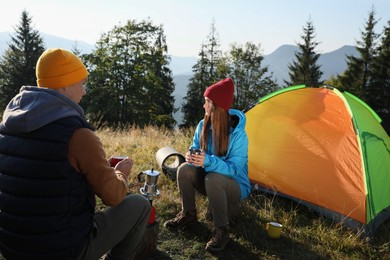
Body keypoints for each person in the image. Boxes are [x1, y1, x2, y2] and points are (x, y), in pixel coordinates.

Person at [0, 48, 151, 260]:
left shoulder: (6, 127)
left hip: (12, 246)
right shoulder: (78, 135)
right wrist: (121, 174)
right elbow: (113, 196)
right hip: (61, 251)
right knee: (140, 205)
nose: (84, 91)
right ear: (64, 84)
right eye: (81, 83)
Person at [163, 78, 251, 252]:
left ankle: (222, 230)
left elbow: (234, 170)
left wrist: (208, 161)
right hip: (210, 179)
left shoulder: (239, 136)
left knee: (213, 178)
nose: (204, 106)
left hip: (235, 186)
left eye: (208, 102)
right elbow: (195, 146)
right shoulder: (203, 124)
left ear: (218, 107)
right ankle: (188, 214)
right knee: (184, 169)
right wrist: (191, 154)